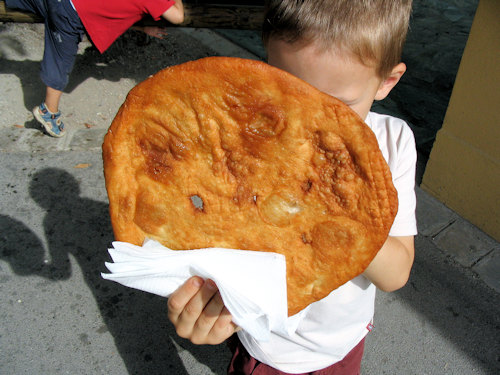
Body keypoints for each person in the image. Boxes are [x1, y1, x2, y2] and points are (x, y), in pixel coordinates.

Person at [167, 0, 417, 374]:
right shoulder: (246, 143)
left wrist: (341, 208)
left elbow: (396, 273)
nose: (306, 126)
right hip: (267, 343)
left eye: (337, 106)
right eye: (284, 90)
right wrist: (202, 300)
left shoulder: (393, 143)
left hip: (338, 343)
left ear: (386, 82)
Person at [5, 0, 184, 137]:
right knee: (61, 59)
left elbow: (112, 10)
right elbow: (178, 16)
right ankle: (48, 112)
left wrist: (142, 28)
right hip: (69, 13)